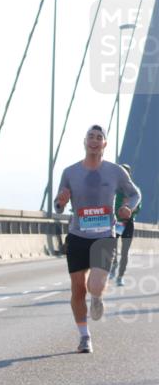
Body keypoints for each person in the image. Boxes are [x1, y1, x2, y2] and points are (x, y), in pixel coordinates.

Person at [54, 126, 140, 353]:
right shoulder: (70, 172)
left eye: (99, 137)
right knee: (77, 290)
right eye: (90, 137)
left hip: (104, 236)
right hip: (77, 235)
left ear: (105, 144)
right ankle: (84, 337)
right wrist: (61, 202)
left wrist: (126, 207)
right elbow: (58, 204)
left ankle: (98, 297)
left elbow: (135, 193)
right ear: (84, 142)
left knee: (95, 285)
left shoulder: (116, 171)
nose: (94, 141)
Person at [109, 163, 142, 287]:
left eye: (126, 172)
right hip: (117, 223)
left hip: (128, 223)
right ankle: (113, 267)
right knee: (112, 248)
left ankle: (120, 276)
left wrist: (130, 209)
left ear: (129, 174)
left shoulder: (134, 191)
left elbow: (139, 208)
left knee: (124, 251)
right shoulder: (114, 189)